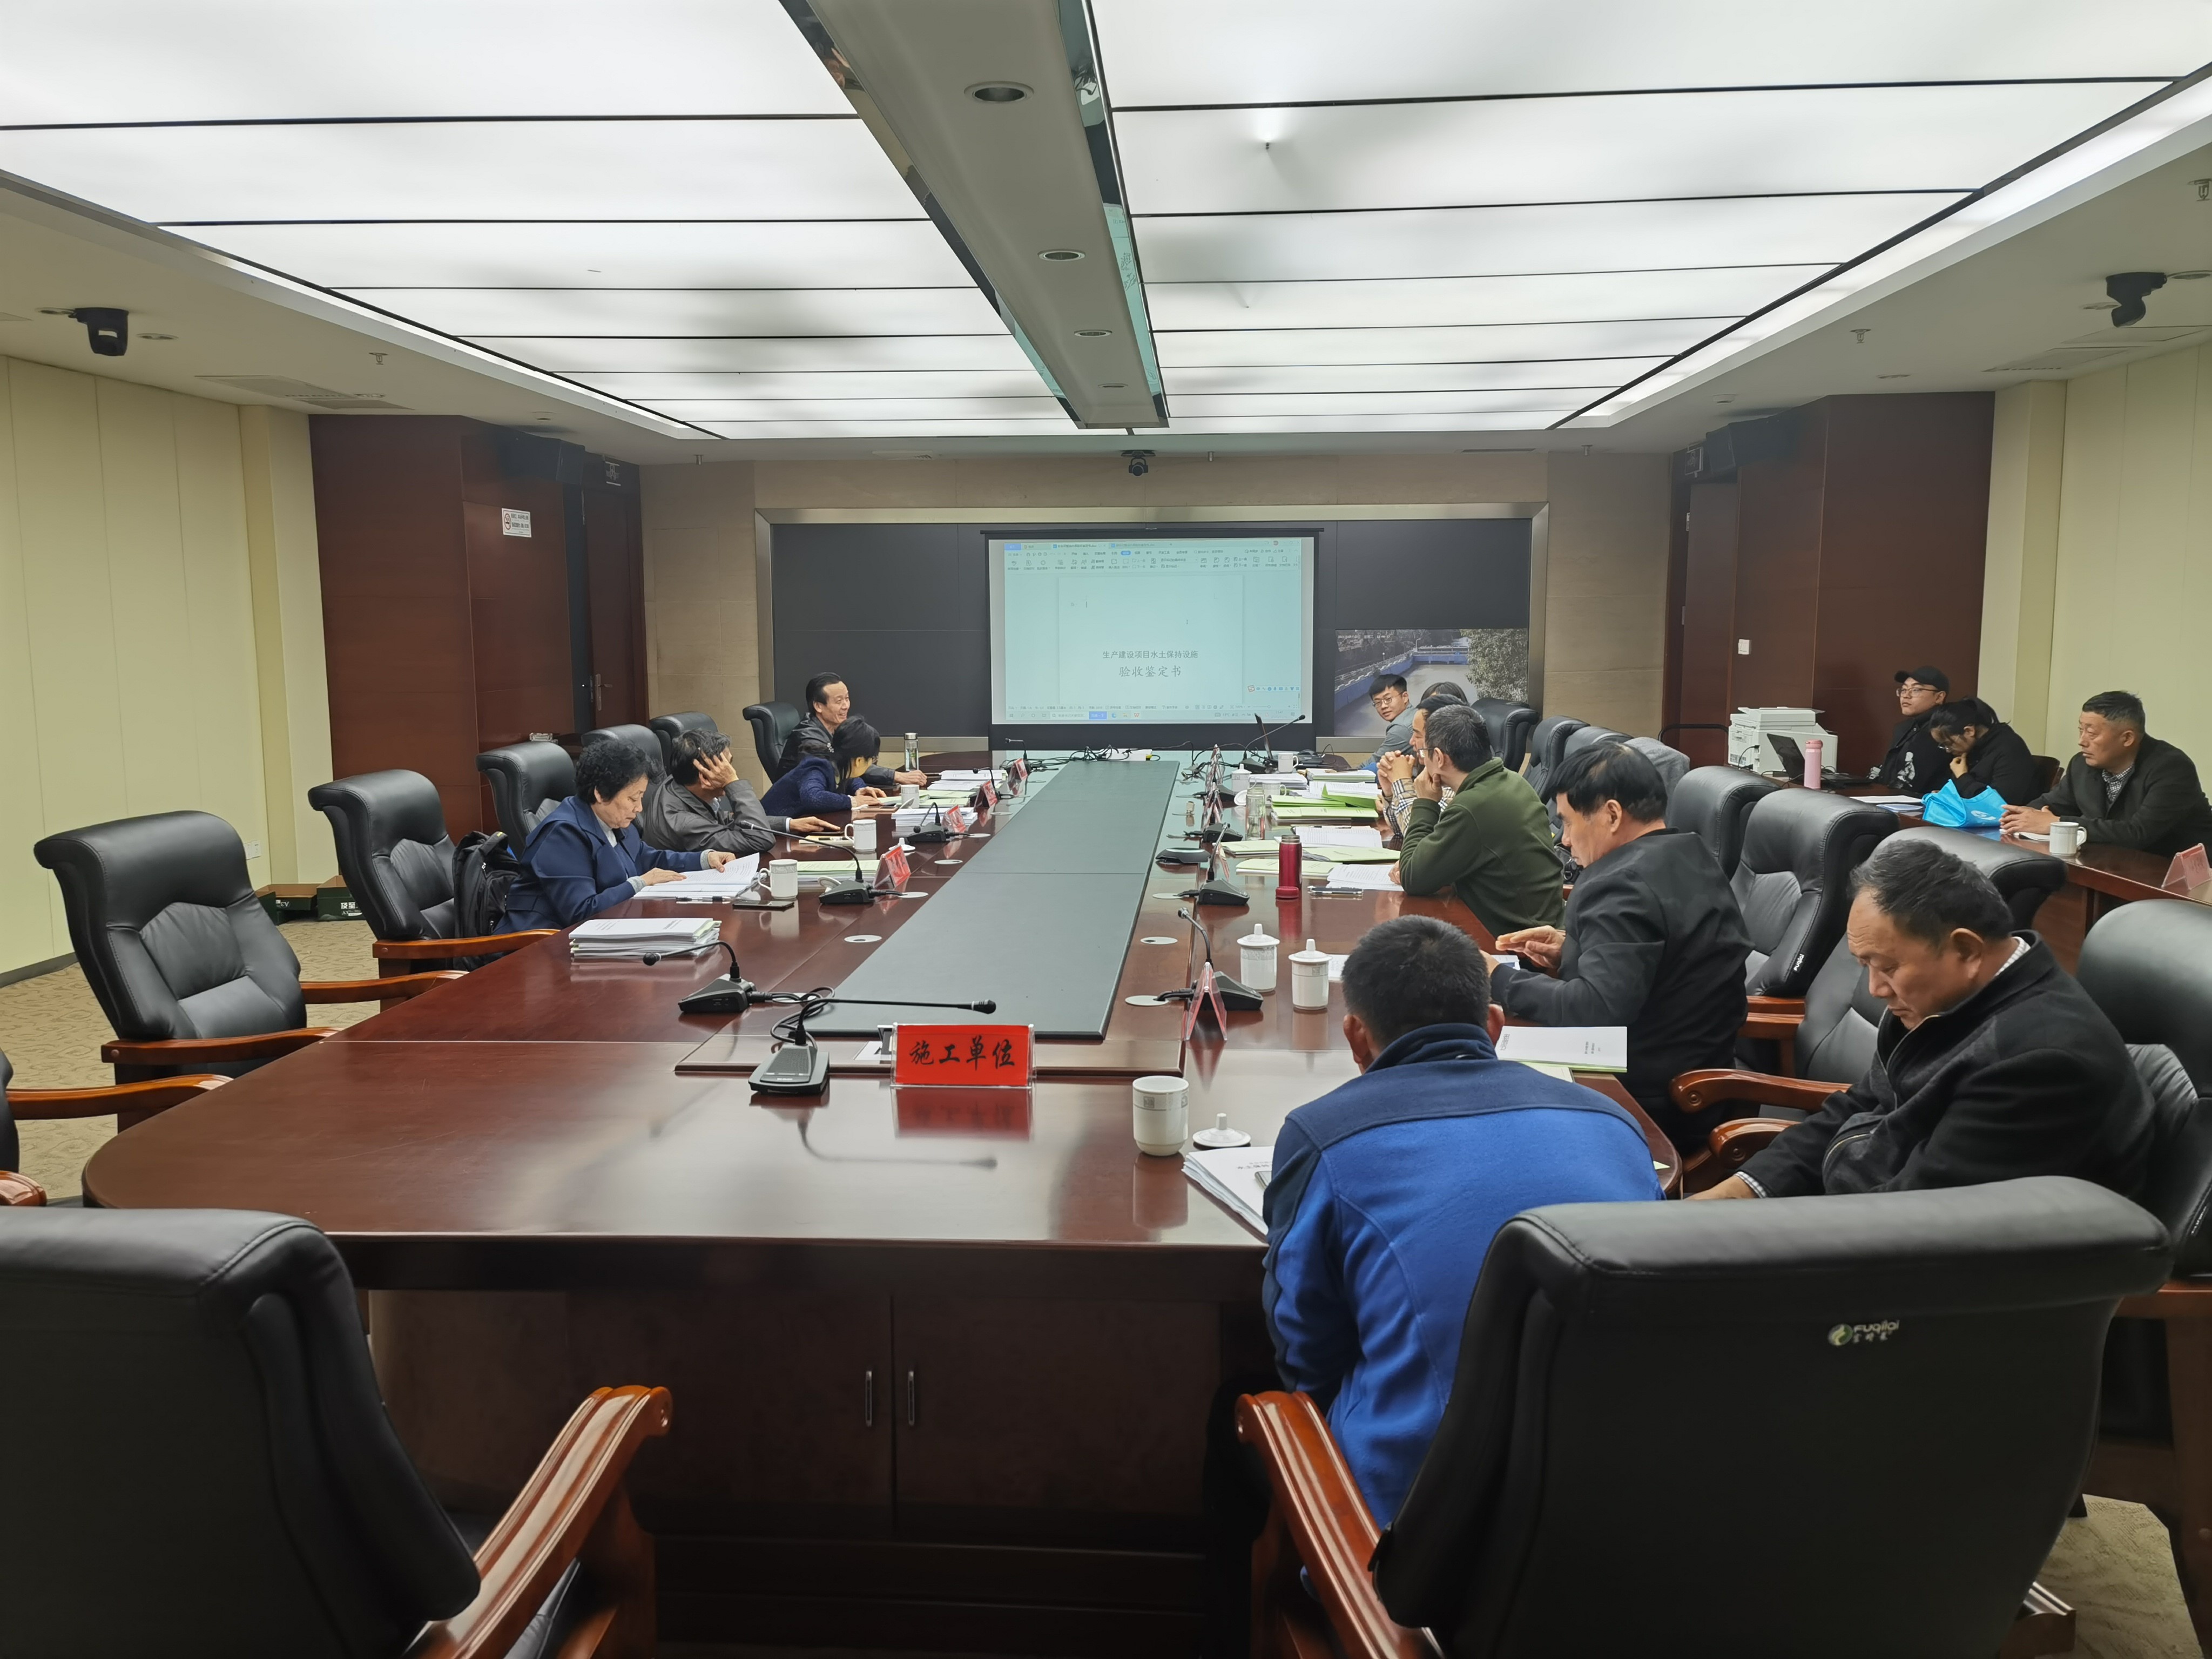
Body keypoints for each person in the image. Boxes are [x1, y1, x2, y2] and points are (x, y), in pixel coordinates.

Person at [1264, 916, 1662, 1524]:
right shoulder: (1613, 1123)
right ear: (1495, 1027)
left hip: (1417, 1541)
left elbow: (1307, 1354)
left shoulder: (1322, 1135)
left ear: (1355, 1037)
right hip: (1626, 1506)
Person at [1696, 838, 2156, 1201]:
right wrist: (1742, 1191)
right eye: (1865, 966)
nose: (1875, 990)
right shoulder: (1942, 1003)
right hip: (1861, 1216)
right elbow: (1859, 1106)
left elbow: (1921, 1222)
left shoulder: (2039, 1063)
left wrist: (1766, 1234)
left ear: (1967, 950)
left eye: (1887, 967)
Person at [1491, 743, 1752, 1149]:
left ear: (1612, 815)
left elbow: (1596, 1011)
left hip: (1648, 1100)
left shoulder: (1620, 883)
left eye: (1568, 823)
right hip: (1697, 1074)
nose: (1564, 840)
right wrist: (1572, 950)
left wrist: (1497, 977)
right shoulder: (1690, 853)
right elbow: (1664, 961)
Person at [502, 739, 736, 930]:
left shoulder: (612, 819)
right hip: (539, 946)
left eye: (641, 798)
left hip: (604, 931)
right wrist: (640, 883)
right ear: (600, 794)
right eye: (633, 799)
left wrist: (705, 859)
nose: (639, 808)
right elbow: (581, 912)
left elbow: (647, 858)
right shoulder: (563, 835)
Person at [1393, 703, 1564, 936]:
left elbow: (1413, 878)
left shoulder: (1472, 807)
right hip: (1539, 927)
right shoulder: (1512, 781)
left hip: (1519, 943)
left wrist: (1425, 802)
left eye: (1424, 752)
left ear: (1440, 758)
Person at [2003, 690, 2212, 857]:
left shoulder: (2172, 768)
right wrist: (2020, 817)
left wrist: (2057, 824)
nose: (2082, 741)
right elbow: (2052, 804)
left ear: (2127, 738)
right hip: (2112, 862)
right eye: (2081, 730)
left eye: (2092, 733)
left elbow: (2138, 834)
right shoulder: (2082, 764)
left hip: (2176, 874)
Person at [640, 727, 837, 857]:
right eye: (727, 767)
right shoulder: (683, 823)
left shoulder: (679, 783)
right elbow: (760, 841)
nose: (732, 772)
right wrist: (732, 783)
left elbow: (724, 821)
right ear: (705, 778)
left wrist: (788, 824)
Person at [777, 672, 927, 792]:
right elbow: (843, 767)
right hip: (802, 812)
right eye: (839, 701)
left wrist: (860, 789)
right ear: (818, 706)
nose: (846, 706)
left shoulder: (837, 728)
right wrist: (896, 776)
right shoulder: (808, 738)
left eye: (847, 698)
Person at [763, 717, 896, 821]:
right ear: (859, 761)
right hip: (771, 832)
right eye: (872, 759)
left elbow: (849, 778)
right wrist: (852, 801)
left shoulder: (838, 763)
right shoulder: (817, 768)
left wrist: (860, 789)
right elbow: (813, 797)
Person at [1374, 693, 1460, 837]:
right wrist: (1390, 792)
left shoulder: (1454, 787)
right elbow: (1400, 830)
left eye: (1418, 736)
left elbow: (1416, 836)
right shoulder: (1430, 776)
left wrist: (1401, 782)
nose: (1412, 742)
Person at [1926, 698, 2039, 804]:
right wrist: (1948, 796)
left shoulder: (2010, 748)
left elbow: (1999, 803)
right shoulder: (1971, 748)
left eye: (1949, 744)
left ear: (1969, 731)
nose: (1948, 750)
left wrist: (1962, 777)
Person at [1875, 665, 1952, 793]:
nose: (1906, 696)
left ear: (1939, 697)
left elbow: (1917, 781)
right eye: (1904, 690)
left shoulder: (1943, 730)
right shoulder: (1904, 727)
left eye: (1916, 690)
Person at [1363, 673, 1414, 772]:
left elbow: (1375, 763)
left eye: (1388, 699)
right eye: (1378, 703)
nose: (1383, 706)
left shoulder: (1401, 728)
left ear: (1405, 697)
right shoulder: (1414, 714)